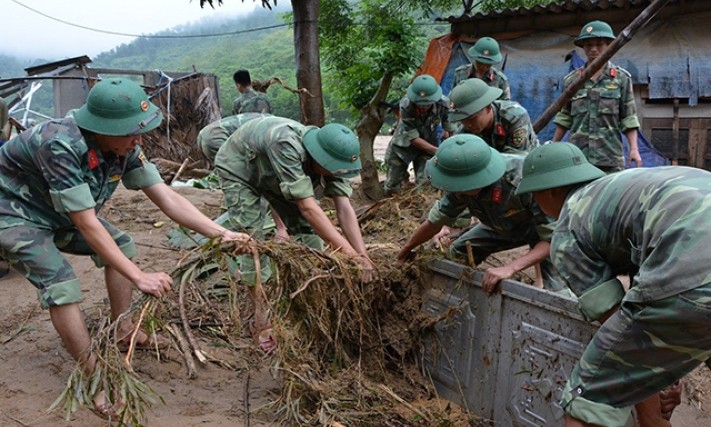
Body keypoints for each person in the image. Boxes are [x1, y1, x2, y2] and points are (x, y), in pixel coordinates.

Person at [0, 78, 249, 419]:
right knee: (61, 285)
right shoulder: (59, 144)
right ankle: (95, 378)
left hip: (55, 210)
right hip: (14, 214)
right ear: (101, 127)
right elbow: (87, 224)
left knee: (121, 245)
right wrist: (140, 277)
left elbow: (166, 197)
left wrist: (222, 234)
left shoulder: (125, 144)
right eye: (131, 131)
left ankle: (124, 330)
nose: (139, 138)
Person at [516, 142, 702, 427]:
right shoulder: (626, 190)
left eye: (533, 196)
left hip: (693, 276)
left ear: (548, 190)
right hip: (693, 264)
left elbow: (621, 330)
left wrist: (650, 399)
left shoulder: (569, 227)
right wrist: (668, 374)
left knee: (585, 400)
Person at [214, 115, 374, 353]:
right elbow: (309, 208)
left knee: (309, 235)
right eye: (332, 170)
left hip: (274, 172)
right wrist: (349, 255)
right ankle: (262, 320)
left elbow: (344, 208)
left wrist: (363, 256)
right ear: (319, 157)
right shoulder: (285, 143)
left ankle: (306, 305)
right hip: (240, 169)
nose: (335, 174)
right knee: (252, 242)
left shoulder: (334, 160)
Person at [395, 134, 564, 293]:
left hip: (547, 234)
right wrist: (406, 250)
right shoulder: (460, 185)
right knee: (455, 256)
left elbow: (554, 238)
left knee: (558, 294)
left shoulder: (524, 179)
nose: (454, 191)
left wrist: (510, 267)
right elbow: (434, 223)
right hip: (501, 227)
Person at [552, 20, 642, 173]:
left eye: (599, 44)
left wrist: (634, 149)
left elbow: (628, 118)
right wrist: (553, 147)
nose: (593, 49)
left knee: (609, 197)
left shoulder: (621, 79)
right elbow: (564, 118)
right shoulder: (572, 81)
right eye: (588, 45)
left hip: (609, 158)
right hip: (578, 158)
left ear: (609, 45)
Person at [383, 74, 456, 195]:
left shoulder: (443, 103)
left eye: (427, 103)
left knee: (425, 185)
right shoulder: (406, 105)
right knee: (393, 183)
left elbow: (450, 128)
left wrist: (449, 145)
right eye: (420, 103)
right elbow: (412, 138)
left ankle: (419, 211)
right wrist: (436, 150)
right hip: (402, 147)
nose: (423, 107)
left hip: (427, 148)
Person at [449, 78, 538, 154]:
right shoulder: (464, 132)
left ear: (488, 107)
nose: (468, 125)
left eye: (472, 119)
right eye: (463, 120)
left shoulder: (514, 116)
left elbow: (517, 160)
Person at [197, 112, 268, 164]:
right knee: (236, 171)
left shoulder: (265, 118)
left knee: (224, 170)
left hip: (205, 132)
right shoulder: (273, 127)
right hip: (218, 135)